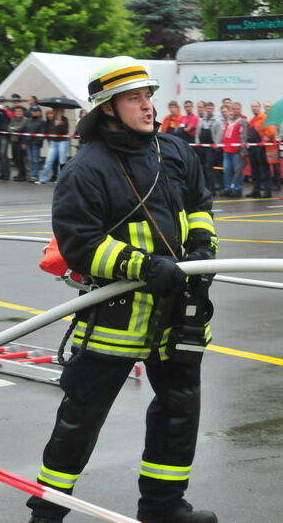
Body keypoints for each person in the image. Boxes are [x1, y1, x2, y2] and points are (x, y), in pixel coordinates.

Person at [25, 56, 218, 523]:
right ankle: (48, 513)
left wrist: (201, 246)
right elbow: (80, 244)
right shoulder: (85, 170)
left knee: (179, 412)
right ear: (107, 108)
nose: (147, 106)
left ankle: (164, 508)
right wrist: (144, 265)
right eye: (135, 98)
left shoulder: (173, 151)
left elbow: (199, 204)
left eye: (149, 95)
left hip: (178, 315)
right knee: (80, 419)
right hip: (115, 315)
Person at [246, 101, 274, 198]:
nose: (254, 108)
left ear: (260, 107)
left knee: (264, 169)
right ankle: (256, 190)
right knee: (254, 170)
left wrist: (264, 141)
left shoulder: (264, 117)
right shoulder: (252, 119)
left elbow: (271, 131)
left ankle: (267, 191)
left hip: (261, 147)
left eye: (256, 106)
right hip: (253, 147)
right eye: (252, 106)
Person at [194, 102, 223, 194]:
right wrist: (197, 144)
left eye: (211, 108)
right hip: (201, 149)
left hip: (211, 149)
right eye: (208, 108)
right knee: (202, 168)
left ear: (213, 109)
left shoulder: (217, 122)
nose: (209, 110)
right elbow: (197, 133)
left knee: (209, 169)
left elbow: (219, 134)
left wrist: (216, 146)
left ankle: (211, 189)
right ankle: (203, 188)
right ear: (205, 109)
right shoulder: (201, 121)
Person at [220, 103, 248, 197]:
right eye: (234, 108)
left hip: (237, 150)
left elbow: (244, 136)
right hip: (227, 150)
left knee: (237, 171)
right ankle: (228, 188)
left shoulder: (243, 121)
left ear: (240, 110)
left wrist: (243, 149)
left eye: (238, 108)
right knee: (227, 170)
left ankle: (237, 188)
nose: (236, 110)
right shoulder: (227, 122)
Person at [37, 109, 71, 184]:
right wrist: (56, 125)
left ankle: (60, 179)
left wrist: (60, 125)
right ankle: (44, 179)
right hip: (53, 142)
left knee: (62, 160)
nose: (57, 113)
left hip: (63, 141)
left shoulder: (64, 119)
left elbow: (66, 131)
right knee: (49, 160)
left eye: (59, 111)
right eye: (56, 111)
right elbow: (50, 131)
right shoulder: (50, 120)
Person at [24, 105, 47, 181]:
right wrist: (24, 142)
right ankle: (31, 174)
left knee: (35, 160)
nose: (34, 112)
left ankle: (35, 174)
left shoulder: (42, 121)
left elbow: (42, 133)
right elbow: (26, 131)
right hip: (28, 143)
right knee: (30, 159)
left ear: (39, 112)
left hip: (35, 144)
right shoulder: (28, 120)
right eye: (33, 111)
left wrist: (37, 141)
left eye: (36, 111)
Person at [7, 104, 28, 180]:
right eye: (17, 111)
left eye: (20, 111)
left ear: (23, 112)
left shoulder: (25, 119)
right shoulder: (13, 119)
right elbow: (8, 128)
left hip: (21, 141)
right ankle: (19, 173)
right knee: (15, 158)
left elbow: (20, 128)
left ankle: (23, 175)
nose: (18, 112)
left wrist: (13, 128)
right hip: (13, 140)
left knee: (20, 158)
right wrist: (13, 128)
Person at [0, 95, 11, 180]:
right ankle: (1, 173)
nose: (0, 103)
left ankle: (6, 173)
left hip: (4, 135)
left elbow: (11, 116)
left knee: (3, 154)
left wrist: (4, 109)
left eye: (2, 102)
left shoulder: (7, 110)